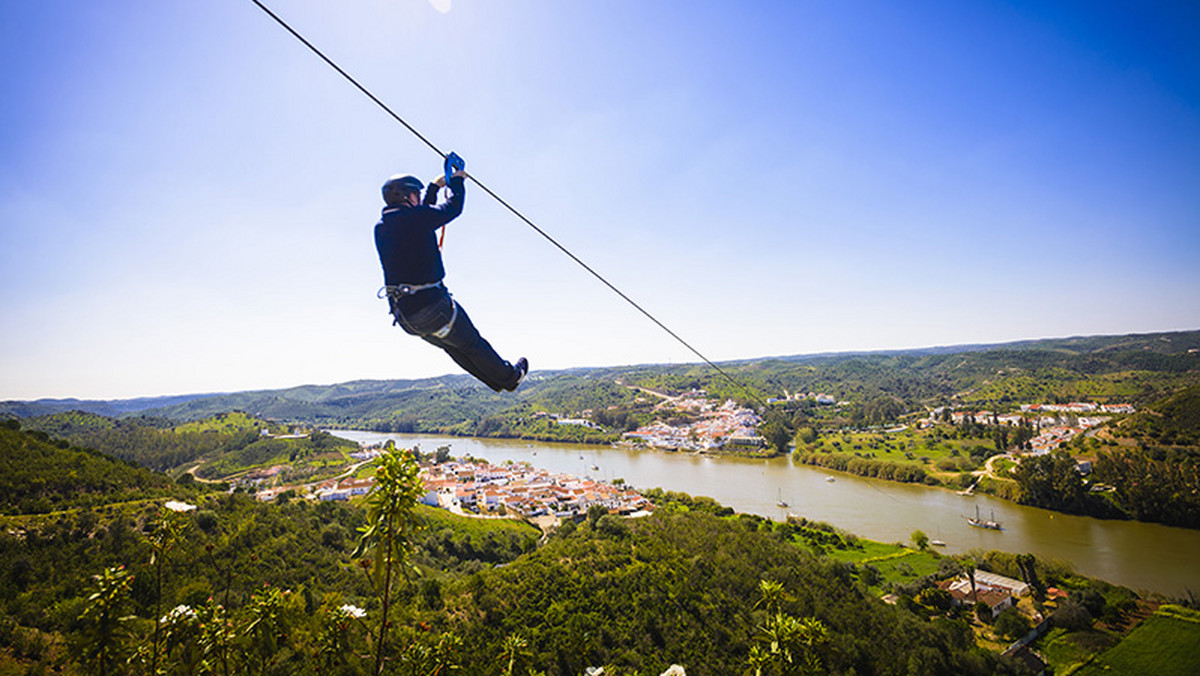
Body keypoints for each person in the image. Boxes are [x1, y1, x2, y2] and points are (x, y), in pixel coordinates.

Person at [374, 167, 528, 392]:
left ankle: (497, 382)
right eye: (416, 194)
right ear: (407, 196)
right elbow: (452, 208)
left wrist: (434, 188)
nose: (419, 197)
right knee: (473, 343)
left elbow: (423, 215)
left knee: (457, 348)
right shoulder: (414, 219)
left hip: (408, 317)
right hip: (433, 307)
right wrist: (457, 181)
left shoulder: (383, 226)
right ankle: (510, 377)